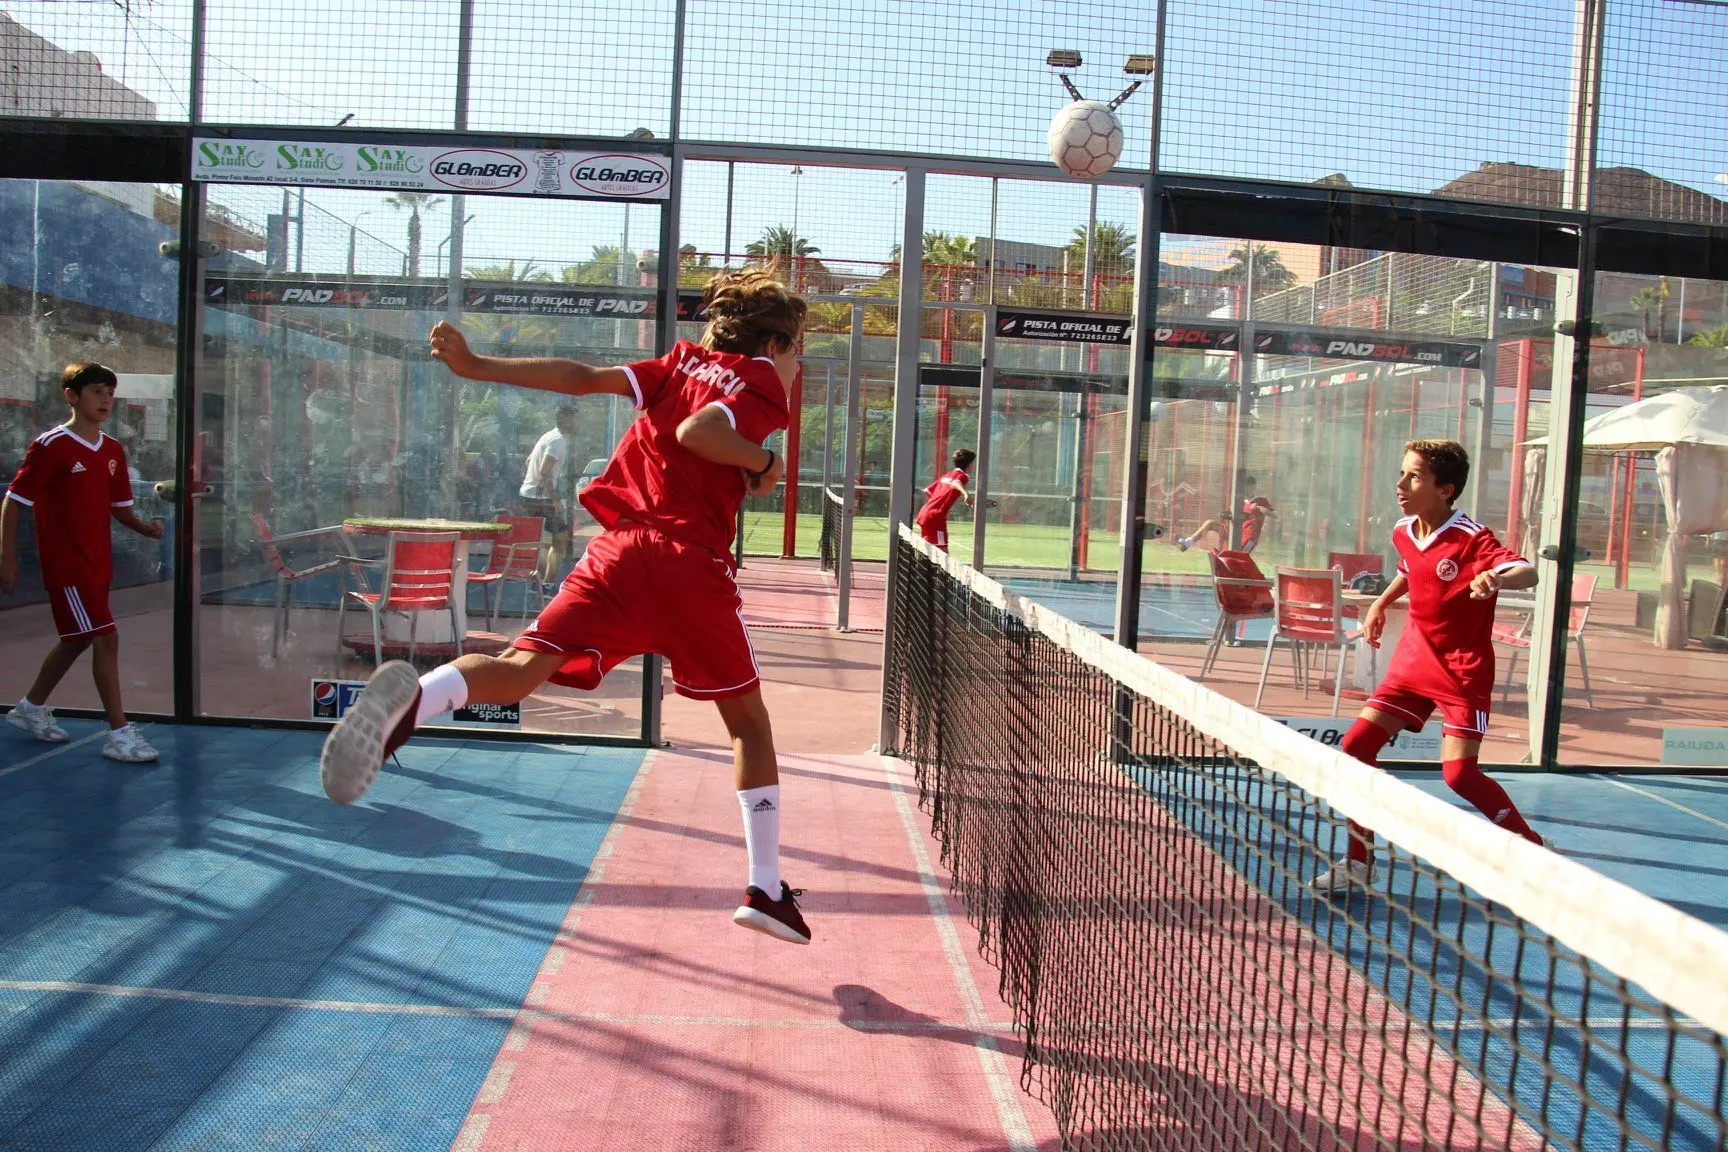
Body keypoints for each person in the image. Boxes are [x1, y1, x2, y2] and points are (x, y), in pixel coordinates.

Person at [319, 268, 812, 945]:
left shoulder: (681, 361)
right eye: (798, 349)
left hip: (617, 550)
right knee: (748, 726)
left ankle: (415, 702)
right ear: (775, 344)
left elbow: (580, 378)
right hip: (685, 565)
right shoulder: (759, 385)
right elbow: (702, 433)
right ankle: (764, 887)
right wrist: (761, 463)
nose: (797, 363)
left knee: (522, 666)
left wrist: (474, 364)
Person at [1311, 439, 1548, 894]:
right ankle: (1359, 863)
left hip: (1462, 670)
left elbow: (1526, 571)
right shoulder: (1404, 529)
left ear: (1445, 489)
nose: (1400, 484)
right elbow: (1410, 566)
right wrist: (1381, 603)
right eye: (1402, 473)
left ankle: (1531, 851)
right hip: (1413, 661)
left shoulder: (1473, 538)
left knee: (1460, 775)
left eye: (1414, 476)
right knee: (1357, 746)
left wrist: (1492, 576)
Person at [0, 363, 165, 763]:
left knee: (77, 639)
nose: (106, 399)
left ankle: (30, 707)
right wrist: (6, 559)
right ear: (72, 396)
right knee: (106, 637)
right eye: (96, 391)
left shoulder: (112, 450)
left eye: (110, 392)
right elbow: (14, 502)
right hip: (68, 565)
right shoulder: (51, 445)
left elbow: (119, 507)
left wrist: (145, 528)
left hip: (98, 564)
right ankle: (119, 735)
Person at [519, 402, 579, 586]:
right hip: (540, 499)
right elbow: (544, 470)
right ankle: (544, 583)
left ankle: (540, 583)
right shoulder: (557, 440)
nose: (578, 422)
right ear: (567, 421)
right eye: (575, 418)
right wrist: (554, 500)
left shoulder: (548, 436)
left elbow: (529, 461)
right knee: (558, 539)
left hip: (531, 495)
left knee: (550, 539)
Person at [1174, 477, 1274, 553]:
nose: (1242, 489)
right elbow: (1234, 517)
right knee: (1210, 523)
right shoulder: (1239, 501)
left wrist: (1261, 509)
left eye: (1244, 486)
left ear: (1252, 486)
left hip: (1248, 537)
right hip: (1233, 532)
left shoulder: (1261, 500)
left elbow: (1275, 515)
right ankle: (1187, 543)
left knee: (1236, 557)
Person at [914, 448, 976, 553]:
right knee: (943, 553)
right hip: (935, 517)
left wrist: (942, 507)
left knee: (927, 551)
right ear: (969, 464)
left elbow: (928, 491)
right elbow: (955, 483)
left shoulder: (947, 475)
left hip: (924, 513)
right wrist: (966, 494)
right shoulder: (963, 476)